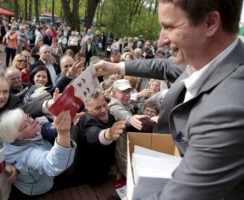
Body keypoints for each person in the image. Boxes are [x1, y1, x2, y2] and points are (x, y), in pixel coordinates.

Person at [94, 0, 244, 199]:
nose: (161, 40)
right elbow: (163, 67)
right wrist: (118, 67)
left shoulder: (228, 110)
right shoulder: (204, 58)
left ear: (210, 23)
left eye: (169, 27)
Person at [0, 109, 76, 199]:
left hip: (24, 182)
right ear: (18, 136)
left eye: (28, 116)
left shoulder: (6, 138)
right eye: (26, 125)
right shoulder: (28, 156)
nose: (32, 120)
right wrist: (63, 133)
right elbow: (53, 164)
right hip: (36, 188)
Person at [75, 89, 125, 183]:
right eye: (98, 108)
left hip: (110, 168)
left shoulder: (108, 114)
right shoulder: (88, 120)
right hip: (96, 176)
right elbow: (93, 134)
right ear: (87, 110)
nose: (103, 110)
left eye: (104, 105)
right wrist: (108, 134)